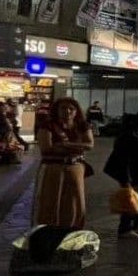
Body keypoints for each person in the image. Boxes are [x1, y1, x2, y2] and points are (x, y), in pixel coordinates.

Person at [33, 98, 94, 229]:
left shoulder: (83, 125)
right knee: (50, 201)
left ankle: (71, 232)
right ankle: (47, 233)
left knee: (75, 202)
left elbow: (89, 145)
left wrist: (64, 144)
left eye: (71, 109)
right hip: (52, 167)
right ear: (56, 110)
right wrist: (78, 147)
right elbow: (46, 148)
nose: (67, 111)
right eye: (63, 108)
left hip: (75, 167)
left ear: (76, 111)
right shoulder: (47, 125)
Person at [105, 106, 138, 239]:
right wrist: (126, 179)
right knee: (130, 199)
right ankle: (124, 229)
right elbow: (123, 157)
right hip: (134, 172)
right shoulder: (131, 132)